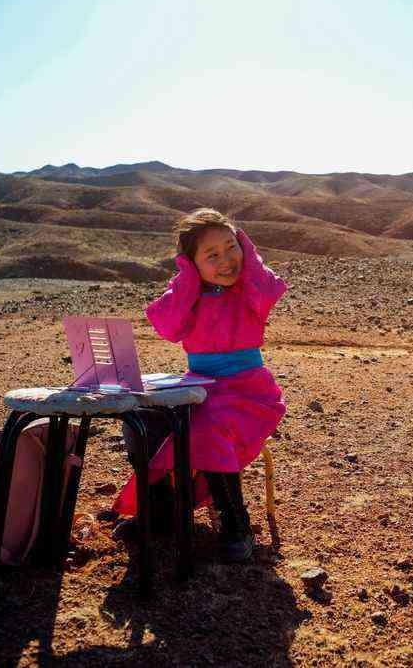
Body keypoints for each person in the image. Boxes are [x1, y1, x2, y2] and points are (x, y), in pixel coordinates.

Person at [112, 208, 287, 562]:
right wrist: (188, 282)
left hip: (246, 391)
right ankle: (161, 513)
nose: (227, 260)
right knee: (145, 420)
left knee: (207, 427)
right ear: (191, 265)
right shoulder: (188, 293)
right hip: (201, 386)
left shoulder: (250, 288)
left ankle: (235, 521)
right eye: (212, 255)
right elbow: (168, 326)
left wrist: (249, 253)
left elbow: (270, 288)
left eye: (231, 246)